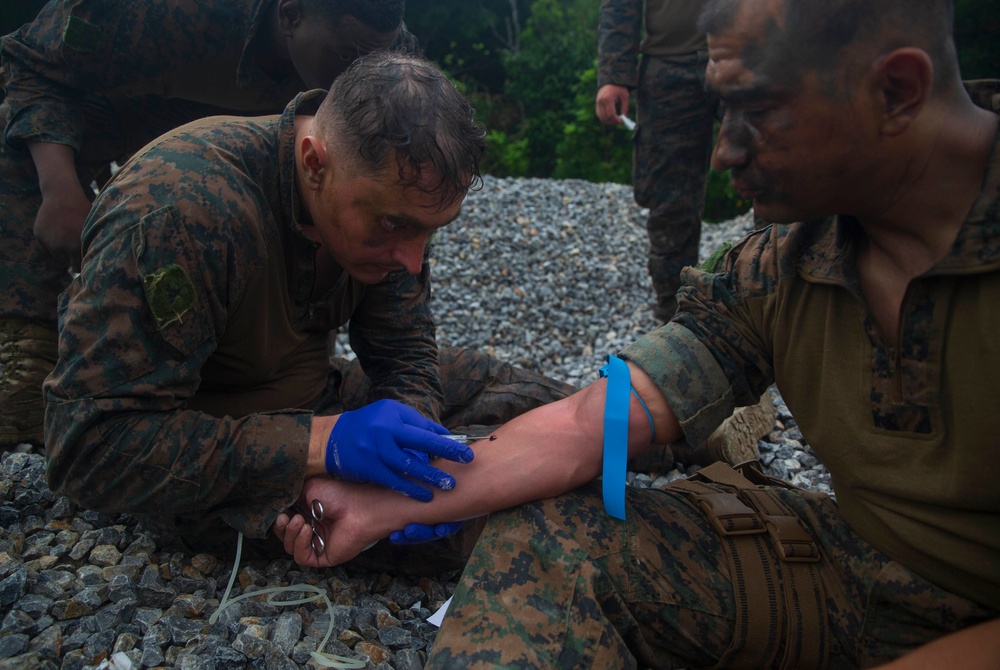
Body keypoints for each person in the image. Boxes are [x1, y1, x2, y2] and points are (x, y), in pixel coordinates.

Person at [274, 0, 1000, 667]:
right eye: (723, 113)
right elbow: (602, 419)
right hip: (859, 562)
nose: (725, 152)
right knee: (550, 542)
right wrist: (382, 505)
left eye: (757, 112)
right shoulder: (785, 261)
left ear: (898, 90)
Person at [43, 51, 575, 557]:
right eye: (396, 226)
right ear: (314, 163)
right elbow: (87, 448)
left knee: (538, 405)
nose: (412, 260)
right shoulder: (178, 211)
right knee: (511, 510)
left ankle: (653, 425)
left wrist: (411, 443)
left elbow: (404, 348)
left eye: (430, 233)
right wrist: (325, 446)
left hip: (320, 395)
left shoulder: (378, 198)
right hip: (212, 458)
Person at [0, 0, 418, 447]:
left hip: (264, 148)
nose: (358, 73)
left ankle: (254, 368)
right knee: (13, 143)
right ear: (291, 15)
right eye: (345, 54)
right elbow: (30, 63)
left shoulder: (378, 45)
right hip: (123, 112)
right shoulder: (157, 11)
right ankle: (26, 346)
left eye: (371, 58)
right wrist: (59, 189)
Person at [595, 0, 719, 323]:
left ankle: (778, 306)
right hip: (669, 63)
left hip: (755, 53)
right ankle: (676, 321)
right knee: (669, 202)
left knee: (775, 180)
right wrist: (614, 72)